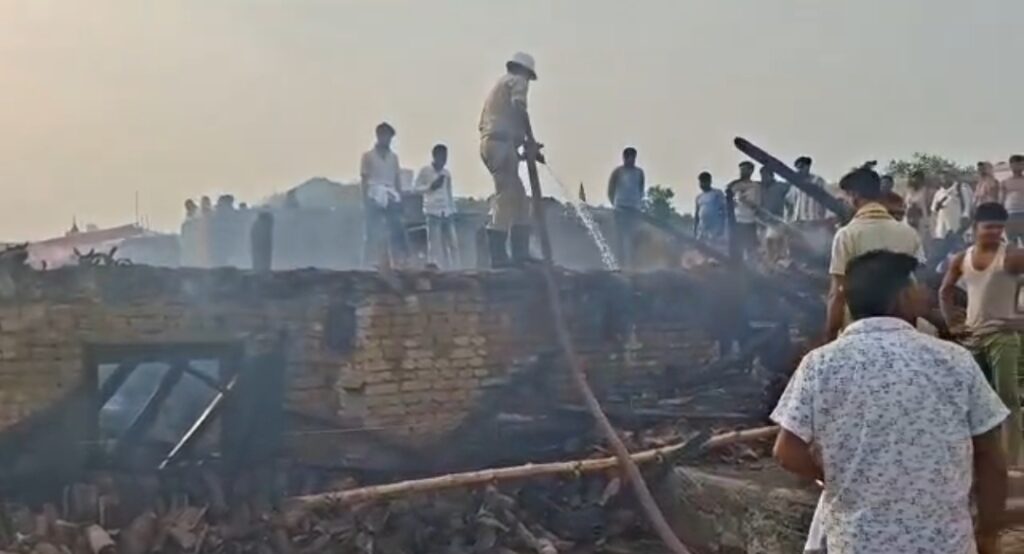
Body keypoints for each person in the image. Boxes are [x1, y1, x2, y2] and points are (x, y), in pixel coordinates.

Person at [774, 250, 1008, 554]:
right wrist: (989, 533)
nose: (924, 293)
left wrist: (835, 476)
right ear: (902, 297)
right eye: (917, 286)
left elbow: (786, 451)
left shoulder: (820, 364)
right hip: (943, 545)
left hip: (857, 543)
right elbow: (991, 458)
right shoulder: (954, 360)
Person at [941, 202, 1024, 466]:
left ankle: (1011, 463)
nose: (994, 232)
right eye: (989, 227)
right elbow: (945, 291)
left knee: (1008, 400)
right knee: (976, 403)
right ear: (976, 227)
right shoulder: (961, 258)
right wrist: (952, 324)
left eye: (999, 227)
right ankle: (983, 460)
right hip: (972, 338)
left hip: (1002, 336)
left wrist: (1020, 322)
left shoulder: (1012, 256)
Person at [825, 167, 924, 341]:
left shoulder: (847, 235)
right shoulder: (908, 233)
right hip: (902, 329)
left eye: (847, 196)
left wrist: (830, 337)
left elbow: (837, 293)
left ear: (854, 195)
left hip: (859, 332)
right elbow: (918, 285)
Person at [479, 52, 540, 267]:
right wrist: (530, 139)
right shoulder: (517, 81)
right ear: (525, 71)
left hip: (495, 144)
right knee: (507, 197)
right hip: (500, 144)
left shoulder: (499, 86)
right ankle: (499, 256)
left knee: (520, 200)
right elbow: (519, 109)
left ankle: (519, 254)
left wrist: (519, 146)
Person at [360, 122, 407, 267]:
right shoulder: (368, 156)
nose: (388, 140)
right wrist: (365, 200)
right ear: (379, 136)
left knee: (396, 228)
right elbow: (365, 180)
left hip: (391, 194)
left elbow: (397, 179)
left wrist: (401, 199)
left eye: (389, 137)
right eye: (385, 136)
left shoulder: (394, 157)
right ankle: (368, 262)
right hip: (374, 193)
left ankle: (397, 261)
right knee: (372, 230)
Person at [414, 144, 460, 269]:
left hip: (446, 211)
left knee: (453, 243)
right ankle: (436, 268)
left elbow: (449, 193)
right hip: (432, 211)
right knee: (435, 244)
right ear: (435, 156)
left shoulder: (446, 173)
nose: (444, 160)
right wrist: (431, 187)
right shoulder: (425, 171)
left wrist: (452, 210)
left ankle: (455, 268)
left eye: (445, 157)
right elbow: (416, 189)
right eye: (442, 157)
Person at [607, 147, 646, 269]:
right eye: (628, 158)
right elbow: (611, 189)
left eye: (632, 158)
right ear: (624, 158)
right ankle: (620, 265)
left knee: (634, 239)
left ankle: (633, 266)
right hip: (620, 208)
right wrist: (614, 203)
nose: (630, 160)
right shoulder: (618, 172)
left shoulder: (639, 173)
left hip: (634, 209)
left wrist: (638, 203)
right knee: (620, 239)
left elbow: (641, 189)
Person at [726, 161, 760, 260]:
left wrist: (746, 201)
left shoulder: (756, 186)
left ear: (751, 171)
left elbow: (757, 204)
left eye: (745, 170)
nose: (742, 172)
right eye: (741, 170)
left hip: (750, 221)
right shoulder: (734, 185)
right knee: (736, 249)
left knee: (751, 248)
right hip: (737, 221)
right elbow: (728, 200)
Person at [759, 166, 790, 262]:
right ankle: (770, 262)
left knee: (774, 242)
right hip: (762, 221)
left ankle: (779, 261)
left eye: (766, 175)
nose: (764, 178)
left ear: (771, 175)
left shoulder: (781, 186)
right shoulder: (759, 187)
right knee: (766, 245)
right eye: (762, 175)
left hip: (777, 219)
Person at [786, 156, 828, 224]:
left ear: (807, 166)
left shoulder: (818, 181)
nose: (799, 170)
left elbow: (826, 199)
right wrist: (789, 219)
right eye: (798, 168)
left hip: (814, 219)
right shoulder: (796, 183)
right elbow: (789, 201)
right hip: (799, 221)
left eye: (801, 167)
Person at [693, 172, 726, 242]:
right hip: (702, 229)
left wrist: (722, 227)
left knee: (713, 246)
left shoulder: (717, 193)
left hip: (714, 228)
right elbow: (697, 215)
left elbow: (724, 211)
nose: (702, 184)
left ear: (709, 181)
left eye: (704, 182)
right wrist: (695, 230)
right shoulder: (699, 197)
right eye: (701, 182)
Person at [1002, 154, 1024, 245]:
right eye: (1016, 164)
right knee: (1012, 245)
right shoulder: (1005, 182)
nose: (1019, 167)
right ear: (1011, 166)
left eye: (1021, 164)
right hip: (1010, 215)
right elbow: (1001, 199)